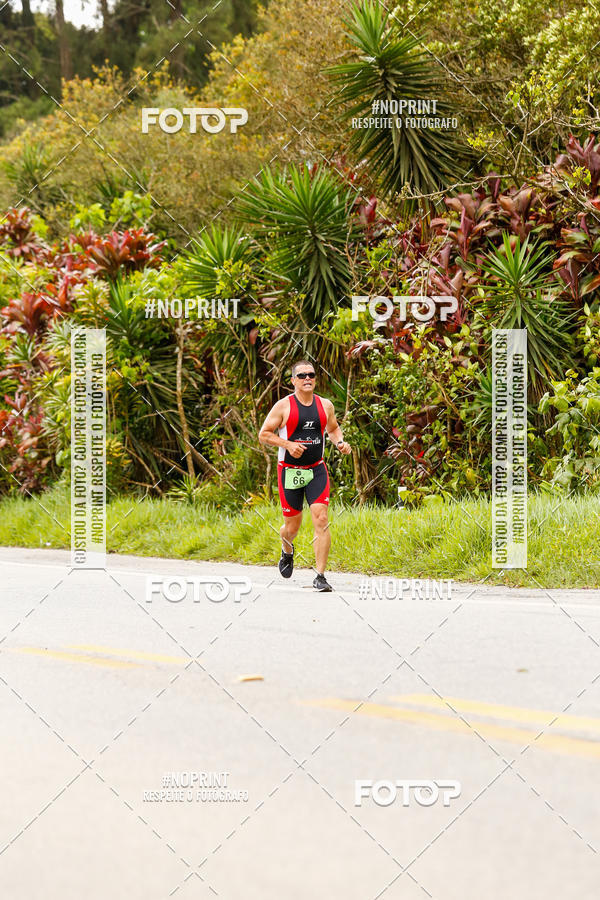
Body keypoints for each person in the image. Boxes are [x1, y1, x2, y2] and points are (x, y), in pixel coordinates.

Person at [258, 360, 352, 591]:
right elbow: (264, 434)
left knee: (321, 518)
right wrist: (288, 445)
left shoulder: (325, 405)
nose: (307, 378)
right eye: (301, 375)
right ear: (293, 381)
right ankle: (287, 549)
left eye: (311, 374)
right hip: (289, 471)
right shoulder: (283, 406)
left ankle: (320, 576)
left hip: (316, 469)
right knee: (292, 528)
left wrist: (340, 442)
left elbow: (333, 429)